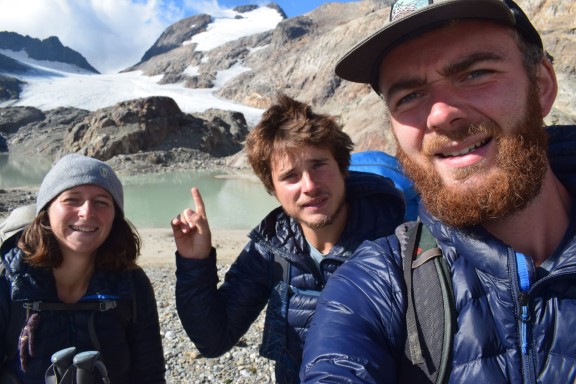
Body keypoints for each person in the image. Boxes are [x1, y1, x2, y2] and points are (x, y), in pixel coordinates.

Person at [301, 0, 576, 382]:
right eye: (409, 96)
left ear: (542, 86)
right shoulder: (375, 284)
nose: (440, 115)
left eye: (476, 73)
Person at [171, 94, 406, 383]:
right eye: (290, 176)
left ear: (342, 168)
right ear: (272, 188)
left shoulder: (397, 236)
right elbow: (214, 339)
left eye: (319, 164)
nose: (309, 186)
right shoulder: (271, 247)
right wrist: (194, 263)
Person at [0, 154, 166, 383]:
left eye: (101, 202)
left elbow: (149, 375)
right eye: (72, 199)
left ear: (115, 217)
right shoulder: (9, 279)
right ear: (46, 211)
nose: (87, 212)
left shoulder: (132, 284)